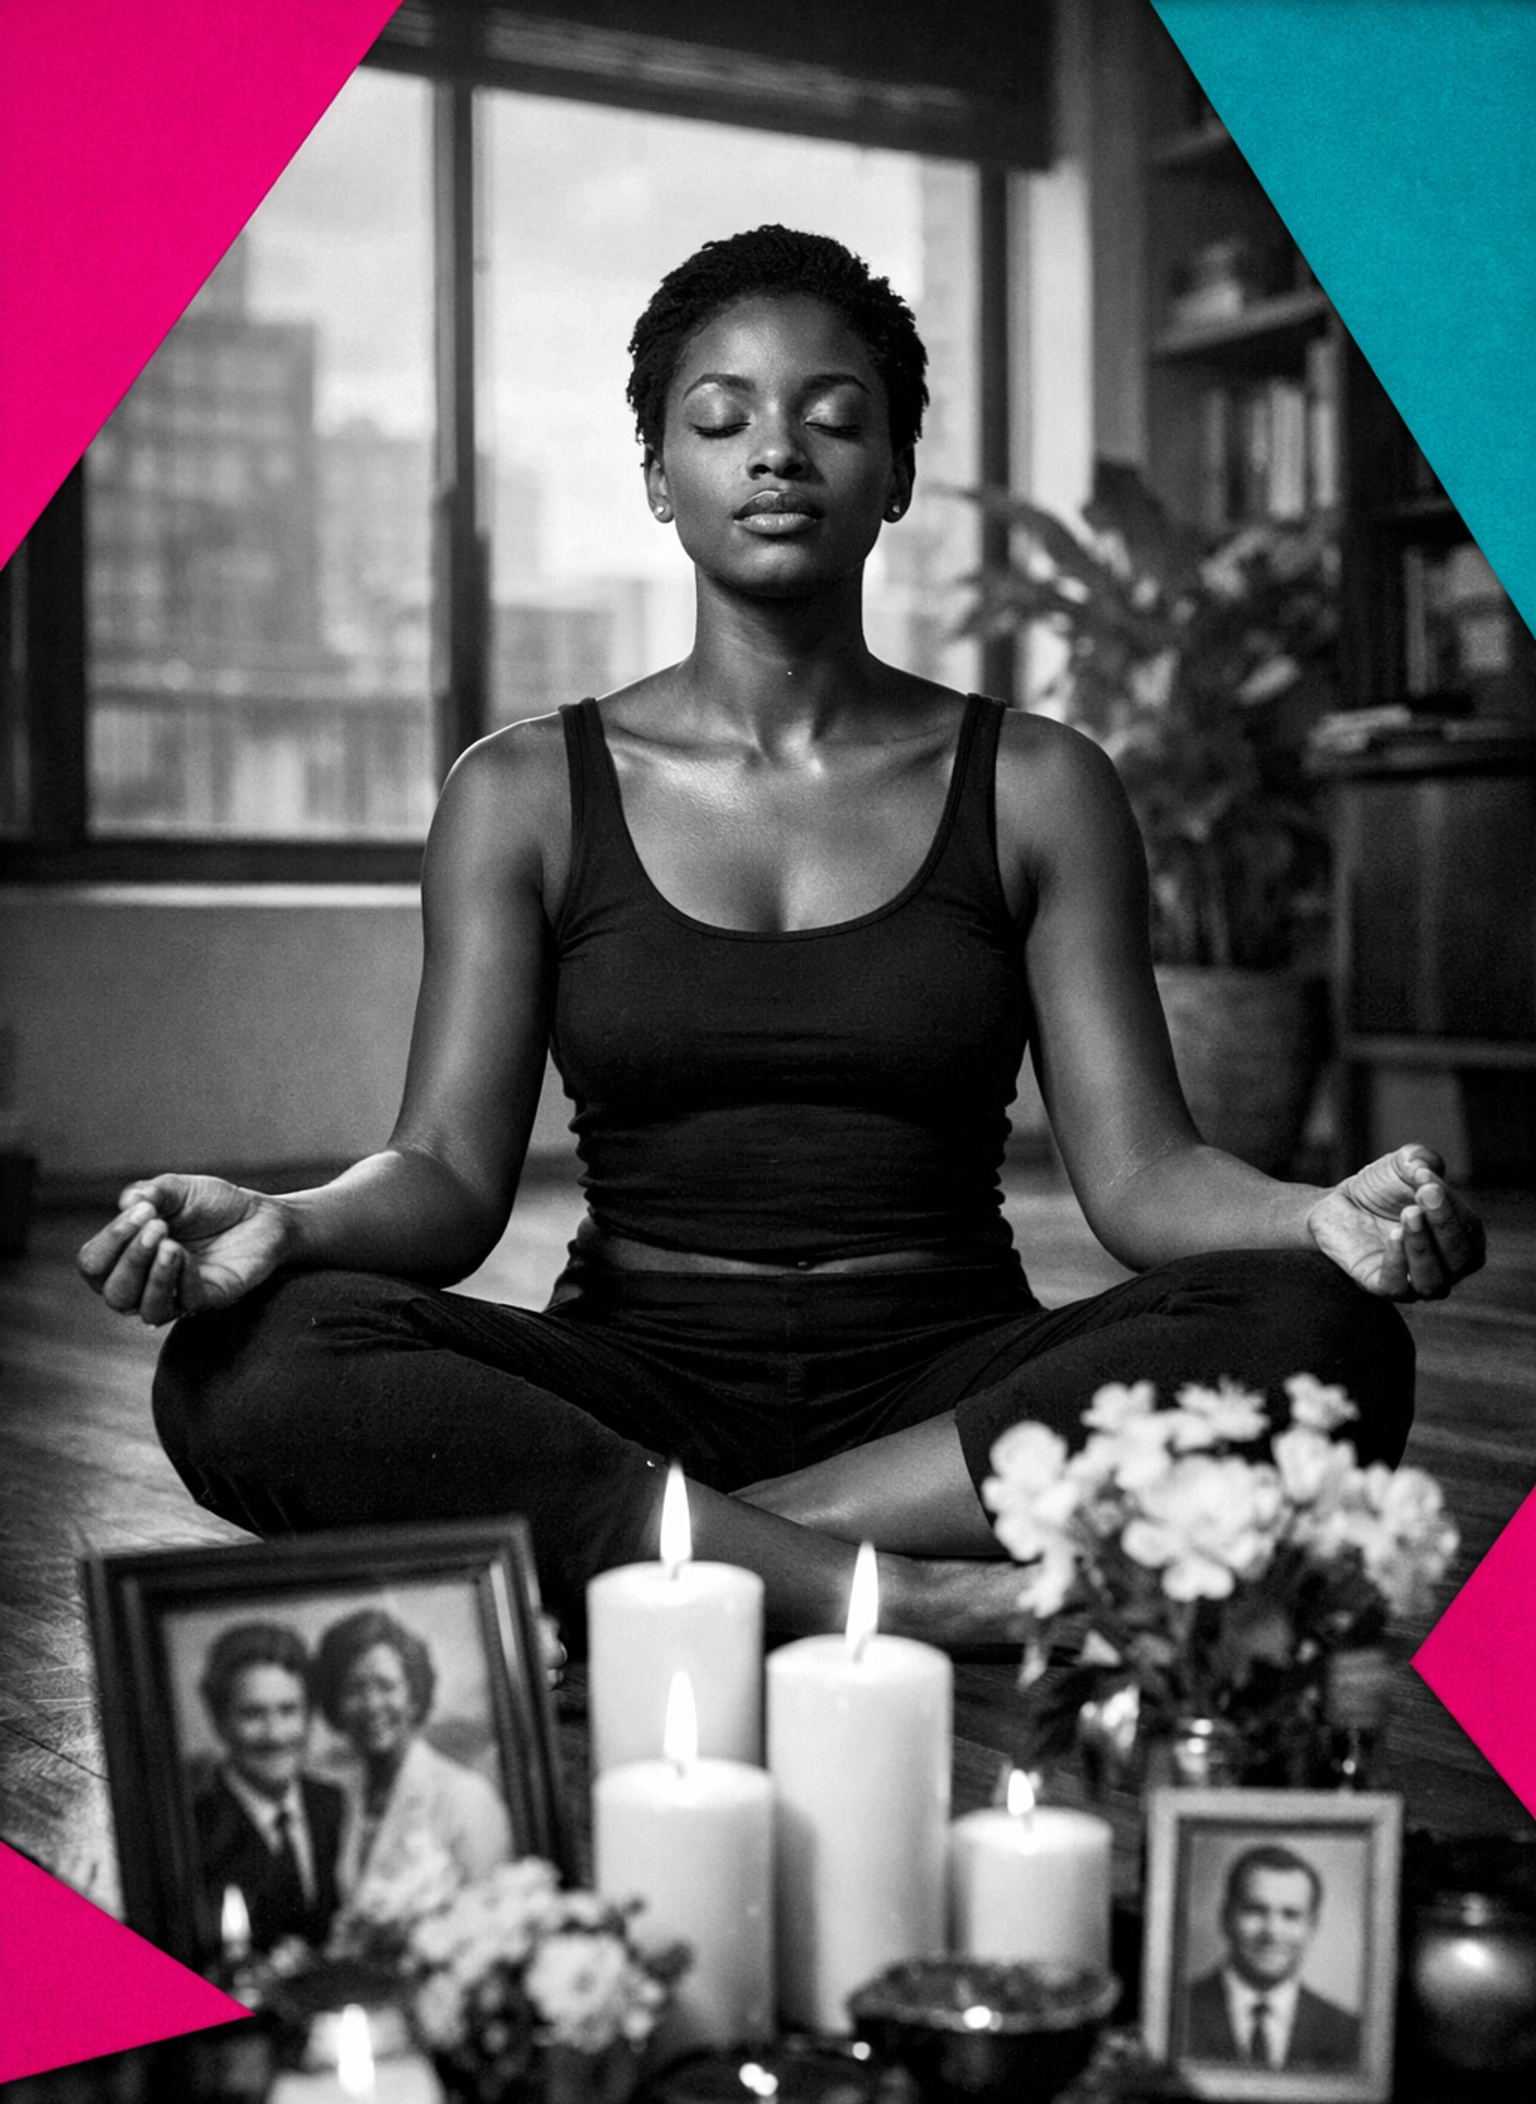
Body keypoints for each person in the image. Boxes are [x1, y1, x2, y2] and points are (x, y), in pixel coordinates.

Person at [78, 225, 1484, 1649]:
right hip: (632, 1373)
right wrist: (287, 1224)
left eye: (832, 418)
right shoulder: (518, 793)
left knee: (1328, 1338)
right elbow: (445, 1177)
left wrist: (1314, 1219)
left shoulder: (1042, 783)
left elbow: (1143, 1176)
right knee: (240, 1370)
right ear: (656, 476)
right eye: (721, 418)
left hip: (954, 1386)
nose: (776, 452)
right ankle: (914, 1593)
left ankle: (671, 1552)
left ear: (896, 479)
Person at [310, 1606, 512, 1907]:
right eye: (353, 1689)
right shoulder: (340, 1798)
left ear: (415, 1694)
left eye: (386, 1685)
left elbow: (495, 1919)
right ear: (335, 1702)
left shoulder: (464, 1796)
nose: (371, 1704)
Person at [191, 1620, 345, 1954]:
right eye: (252, 1714)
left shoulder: (337, 1806)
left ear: (308, 1716)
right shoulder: (193, 1831)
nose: (275, 1735)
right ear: (220, 1722)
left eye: (289, 1710)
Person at [1183, 1843, 1360, 2071]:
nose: (1272, 1932)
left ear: (1312, 1927)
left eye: (1291, 1915)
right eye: (1255, 1910)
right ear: (1226, 1917)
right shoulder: (1177, 2012)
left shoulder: (1348, 2032)